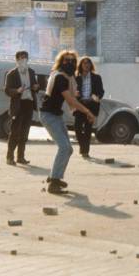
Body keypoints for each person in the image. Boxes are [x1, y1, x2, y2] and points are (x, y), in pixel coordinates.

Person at [40, 50, 95, 194]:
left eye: (72, 61)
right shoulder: (60, 78)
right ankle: (54, 183)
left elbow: (71, 97)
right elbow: (71, 100)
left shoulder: (66, 78)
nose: (70, 63)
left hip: (56, 115)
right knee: (64, 148)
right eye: (66, 60)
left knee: (68, 149)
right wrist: (87, 111)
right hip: (48, 115)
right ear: (61, 62)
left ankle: (54, 177)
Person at [4, 51, 39, 166]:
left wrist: (35, 87)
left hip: (29, 104)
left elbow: (36, 87)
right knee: (15, 132)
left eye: (25, 57)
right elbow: (7, 90)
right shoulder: (12, 74)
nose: (23, 59)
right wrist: (17, 91)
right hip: (18, 105)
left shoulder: (31, 72)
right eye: (21, 58)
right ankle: (10, 157)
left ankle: (21, 157)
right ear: (17, 60)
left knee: (25, 132)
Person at [74, 57, 105, 158]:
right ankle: (83, 146)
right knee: (77, 127)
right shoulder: (76, 78)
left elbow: (101, 91)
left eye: (88, 63)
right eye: (84, 63)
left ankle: (85, 151)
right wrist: (75, 94)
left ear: (91, 65)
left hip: (91, 106)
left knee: (88, 129)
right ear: (80, 65)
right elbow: (71, 91)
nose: (86, 65)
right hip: (80, 105)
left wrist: (97, 97)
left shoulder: (97, 77)